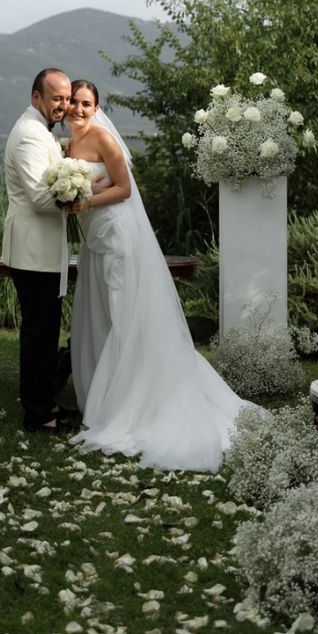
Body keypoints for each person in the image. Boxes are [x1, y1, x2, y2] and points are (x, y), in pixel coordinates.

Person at [65, 78, 259, 471]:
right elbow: (95, 181)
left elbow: (123, 189)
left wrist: (87, 200)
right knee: (103, 317)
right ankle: (106, 394)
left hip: (117, 235)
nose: (79, 110)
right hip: (95, 240)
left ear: (96, 107)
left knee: (125, 318)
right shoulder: (70, 145)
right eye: (74, 103)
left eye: (86, 103)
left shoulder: (102, 138)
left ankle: (130, 403)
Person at [2, 67, 78, 433]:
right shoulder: (30, 136)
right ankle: (38, 414)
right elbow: (40, 196)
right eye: (56, 98)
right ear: (37, 98)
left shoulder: (39, 131)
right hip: (33, 252)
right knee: (38, 334)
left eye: (66, 98)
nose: (63, 105)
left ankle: (45, 403)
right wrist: (80, 193)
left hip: (42, 250)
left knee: (45, 332)